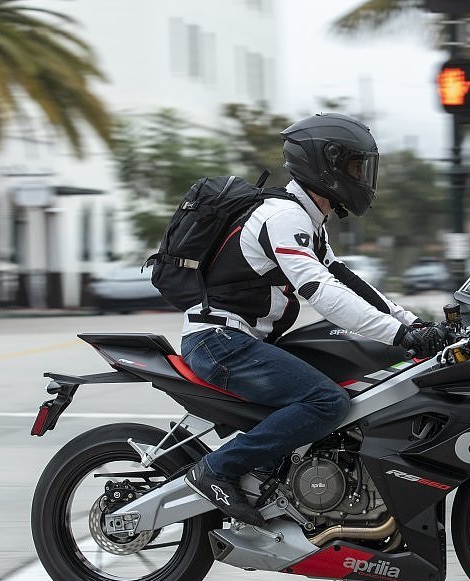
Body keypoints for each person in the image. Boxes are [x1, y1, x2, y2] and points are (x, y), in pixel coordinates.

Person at [182, 112, 447, 525]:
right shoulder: (282, 217)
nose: (364, 177)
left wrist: (416, 325)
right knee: (326, 401)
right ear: (328, 165)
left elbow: (349, 283)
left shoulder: (307, 222)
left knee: (348, 373)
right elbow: (321, 292)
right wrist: (401, 335)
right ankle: (216, 469)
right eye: (357, 167)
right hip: (220, 343)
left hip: (244, 342)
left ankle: (281, 477)